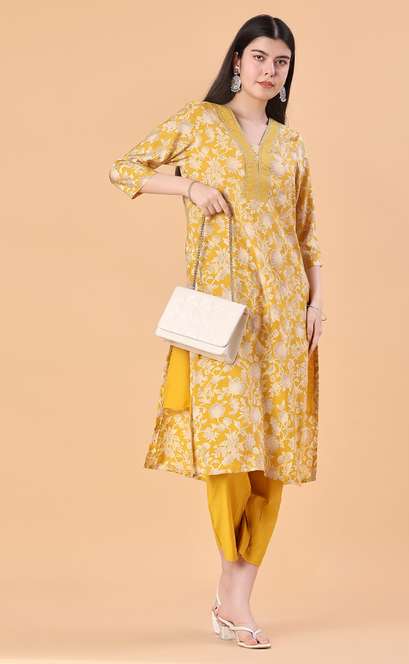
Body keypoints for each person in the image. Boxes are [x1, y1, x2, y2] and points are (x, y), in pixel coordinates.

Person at [109, 13, 326, 650]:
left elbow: (307, 233)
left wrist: (318, 303)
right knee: (229, 451)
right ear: (237, 60)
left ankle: (236, 599)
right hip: (224, 315)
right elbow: (124, 169)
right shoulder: (199, 123)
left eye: (281, 62)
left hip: (284, 315)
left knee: (273, 457)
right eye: (259, 57)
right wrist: (188, 185)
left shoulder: (292, 145)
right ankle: (231, 590)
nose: (269, 70)